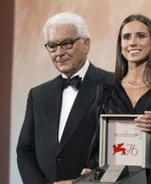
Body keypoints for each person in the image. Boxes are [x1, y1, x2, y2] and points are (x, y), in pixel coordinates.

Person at [16, 12, 113, 183]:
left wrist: (87, 181)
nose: (58, 53)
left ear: (86, 44)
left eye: (66, 44)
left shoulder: (112, 84)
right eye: (52, 46)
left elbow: (119, 149)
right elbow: (25, 151)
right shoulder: (37, 95)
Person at [84, 14, 151, 183]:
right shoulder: (105, 92)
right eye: (126, 37)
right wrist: (91, 172)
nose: (132, 42)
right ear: (120, 46)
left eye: (140, 36)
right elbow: (96, 148)